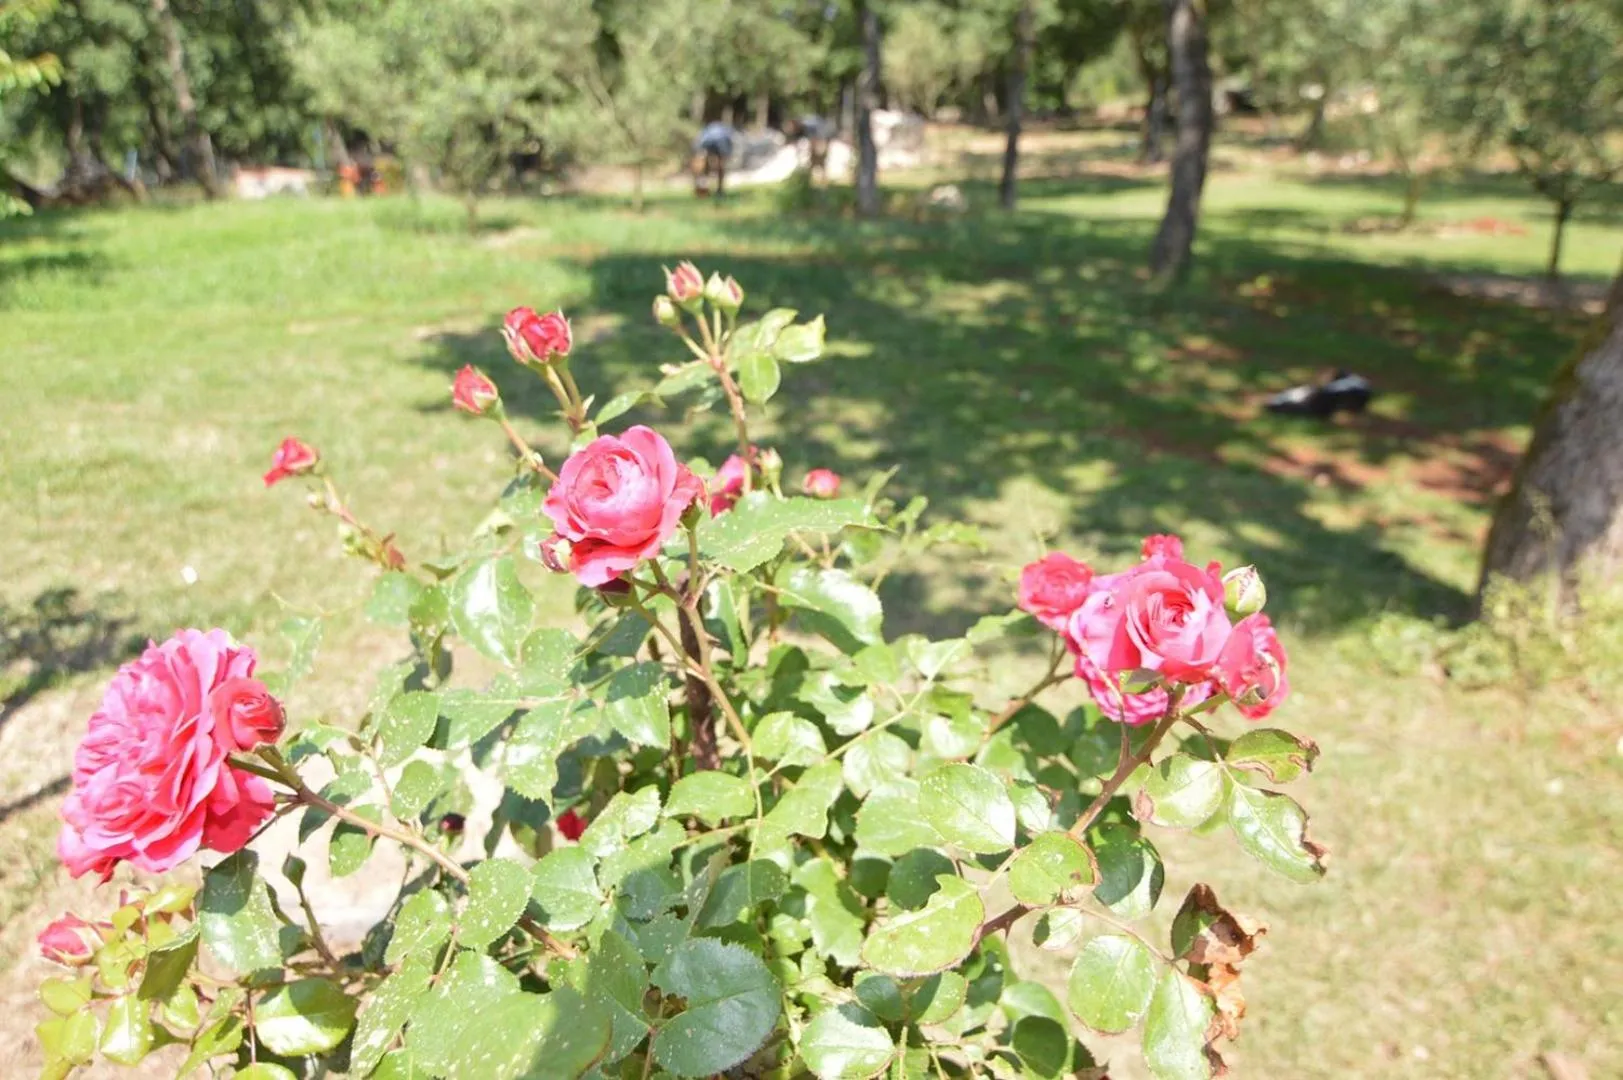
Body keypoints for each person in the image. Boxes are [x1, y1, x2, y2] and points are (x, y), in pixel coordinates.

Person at [692, 122, 735, 197]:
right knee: (720, 165)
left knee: (704, 164)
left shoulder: (707, 129)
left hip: (708, 140)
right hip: (720, 140)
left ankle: (702, 187)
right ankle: (719, 190)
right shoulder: (725, 131)